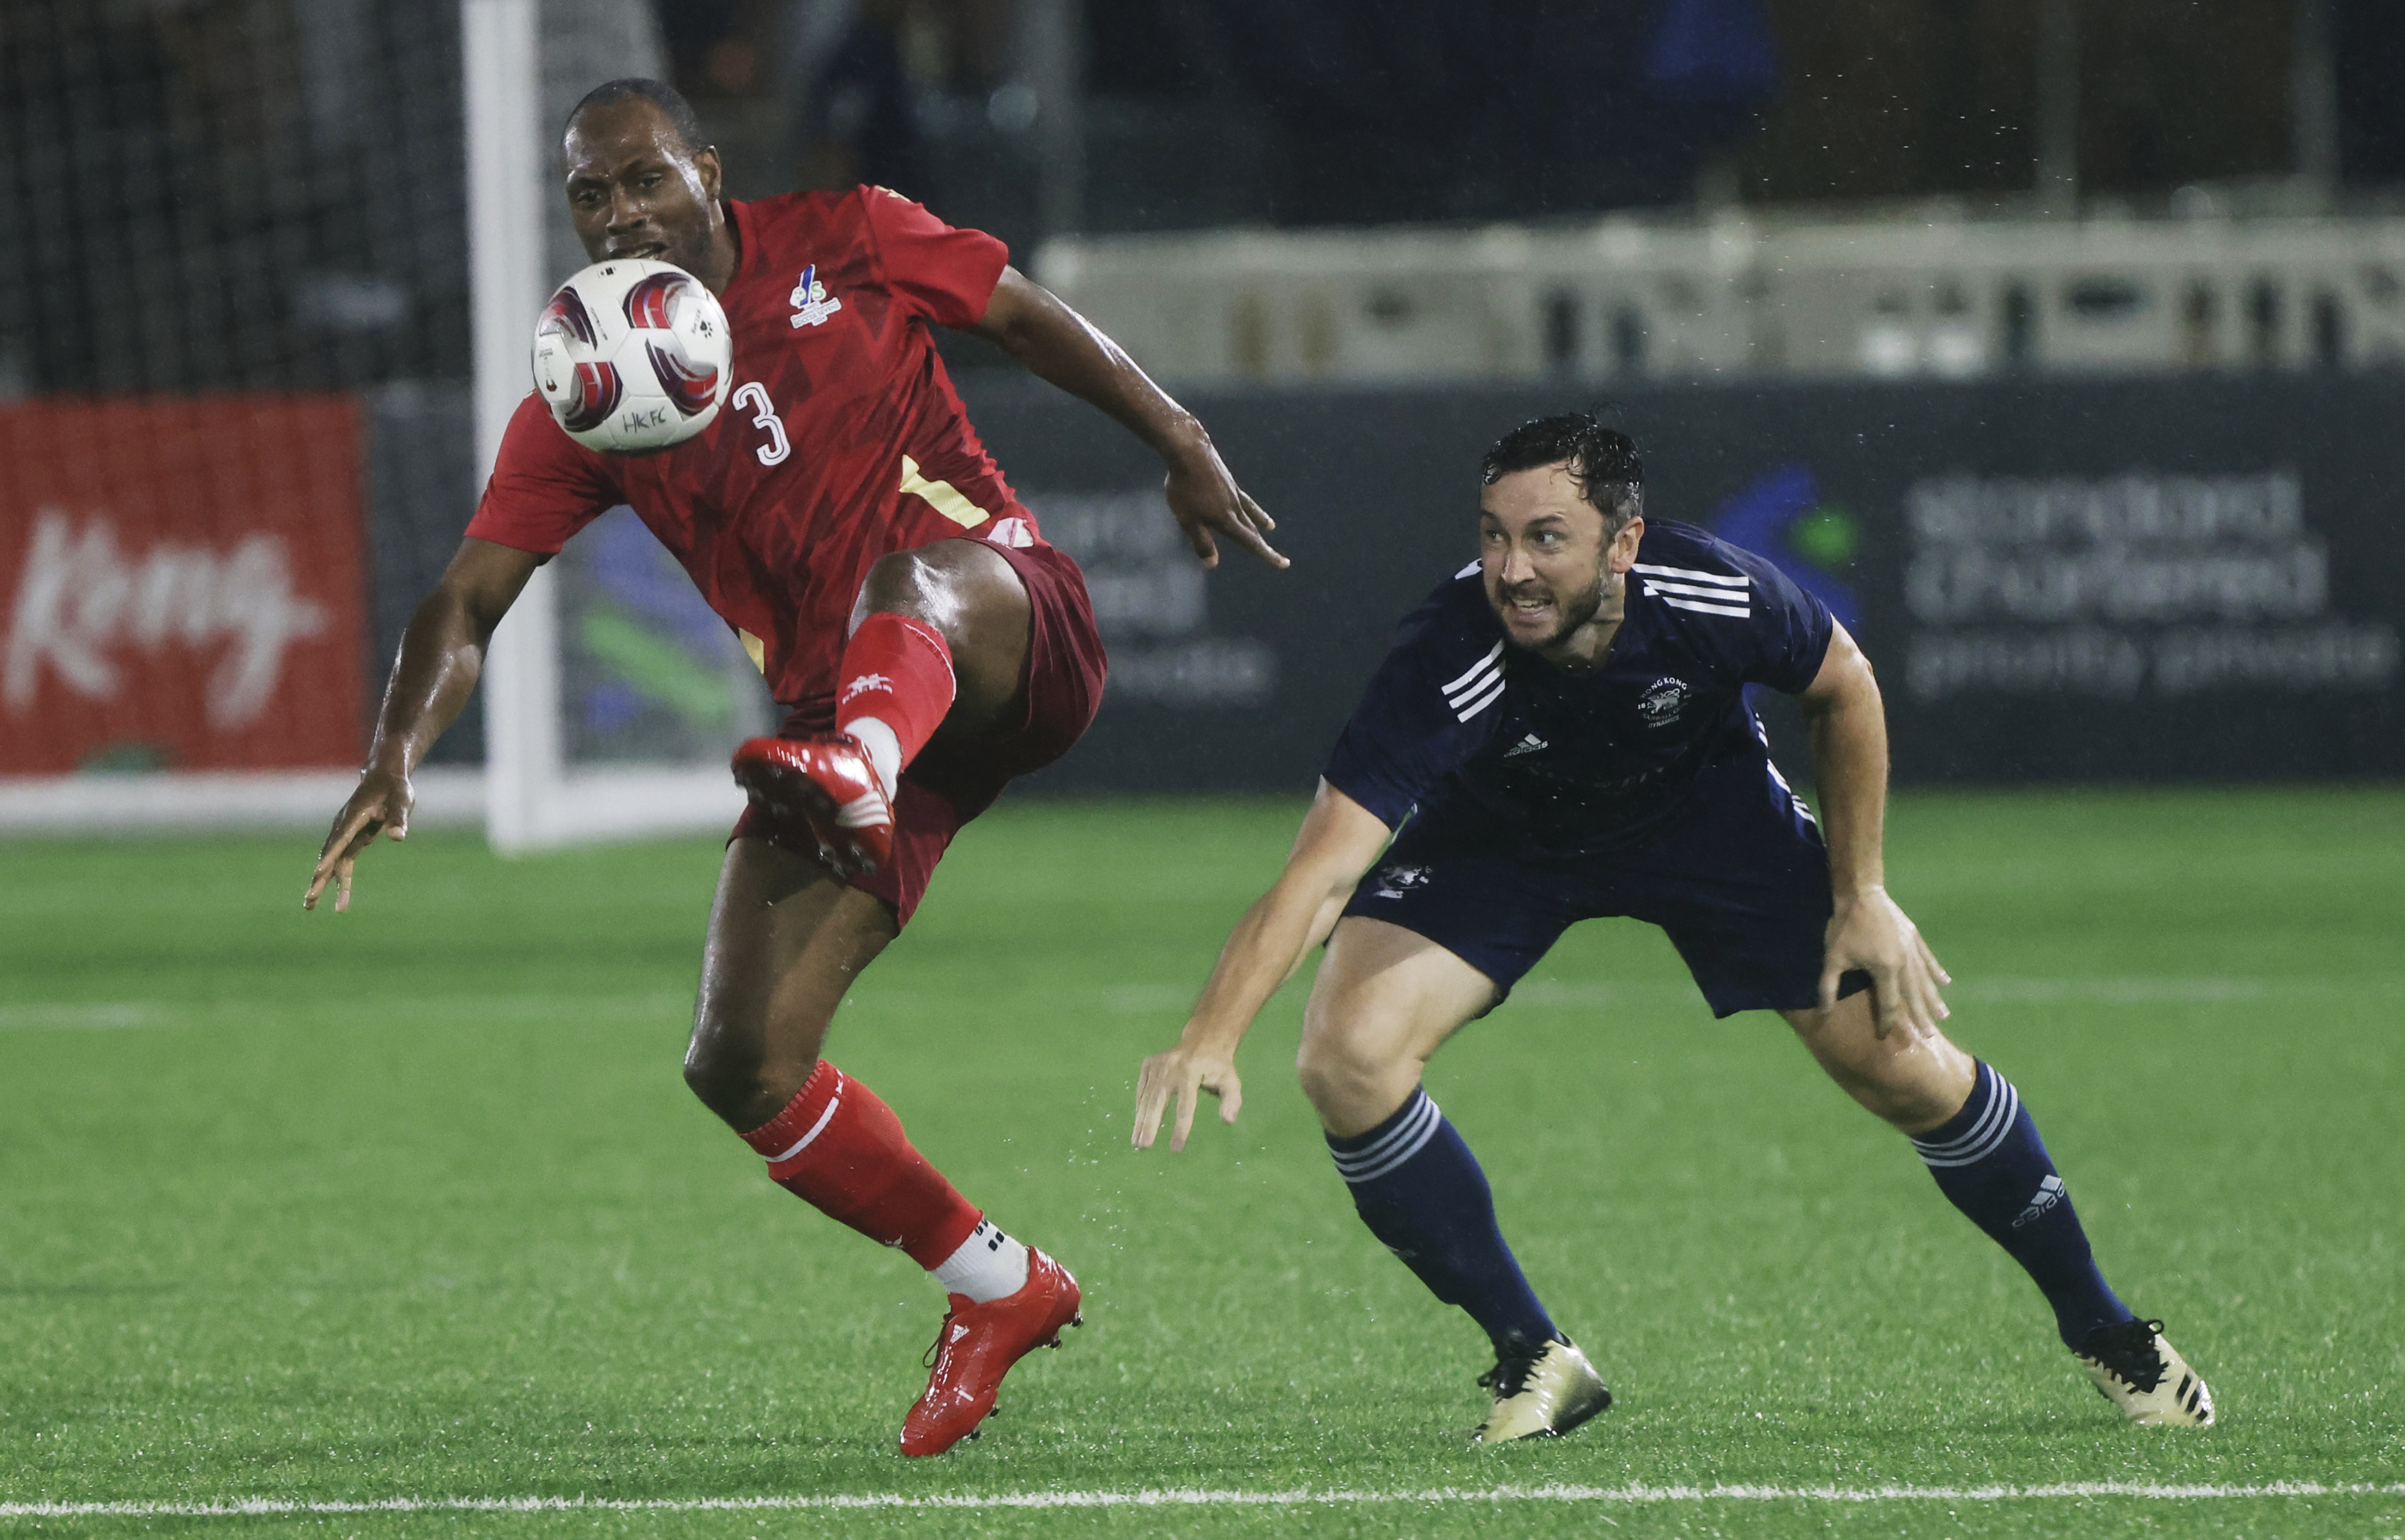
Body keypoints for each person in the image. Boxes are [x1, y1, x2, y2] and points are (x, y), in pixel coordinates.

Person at [304, 76, 1284, 1457]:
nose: (620, 212)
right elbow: (467, 599)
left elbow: (1020, 314)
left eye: (644, 178)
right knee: (739, 1060)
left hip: (1002, 618)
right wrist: (394, 749)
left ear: (707, 173)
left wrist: (1179, 439)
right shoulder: (589, 389)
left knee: (911, 580)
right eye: (590, 193)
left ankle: (861, 761)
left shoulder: (850, 236)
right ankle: (996, 1285)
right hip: (841, 726)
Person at [1132, 414, 2212, 1443]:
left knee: (1903, 1066)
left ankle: (2108, 1328)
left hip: (1709, 819)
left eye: (1547, 537)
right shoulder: (1447, 651)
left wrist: (1863, 892)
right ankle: (1534, 1355)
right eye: (1495, 536)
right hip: (1502, 842)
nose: (1512, 569)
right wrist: (1213, 1031)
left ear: (1625, 541)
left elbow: (1845, 683)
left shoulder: (1710, 588)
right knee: (1345, 1056)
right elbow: (1320, 870)